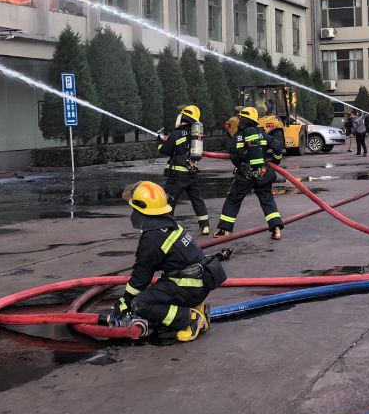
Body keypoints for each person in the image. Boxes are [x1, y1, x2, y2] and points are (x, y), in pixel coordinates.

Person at [104, 181, 229, 341]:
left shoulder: (152, 238)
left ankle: (189, 319)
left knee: (141, 304)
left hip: (190, 287)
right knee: (159, 290)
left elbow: (141, 277)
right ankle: (197, 309)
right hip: (199, 282)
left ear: (141, 210)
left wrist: (125, 301)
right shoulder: (169, 224)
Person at [216, 107, 286, 240]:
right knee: (267, 200)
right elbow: (277, 145)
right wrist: (275, 162)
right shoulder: (262, 134)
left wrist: (240, 164)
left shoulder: (238, 137)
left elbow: (234, 156)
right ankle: (276, 229)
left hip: (245, 175)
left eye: (239, 118)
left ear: (242, 119)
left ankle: (225, 230)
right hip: (263, 174)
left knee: (233, 200)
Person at [157, 104, 210, 235]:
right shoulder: (195, 134)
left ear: (183, 117)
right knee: (197, 200)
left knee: (168, 201)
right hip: (192, 173)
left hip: (177, 176)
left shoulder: (176, 133)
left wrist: (159, 142)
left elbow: (165, 150)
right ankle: (205, 226)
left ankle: (166, 227)